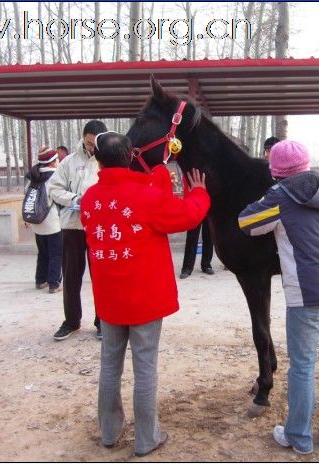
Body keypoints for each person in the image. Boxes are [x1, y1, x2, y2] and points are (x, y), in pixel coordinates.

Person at [79, 131, 210, 457]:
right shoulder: (146, 197)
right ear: (130, 157)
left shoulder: (91, 198)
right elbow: (186, 215)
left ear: (98, 159)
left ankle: (109, 432)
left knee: (110, 364)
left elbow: (145, 198)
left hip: (110, 299)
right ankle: (146, 438)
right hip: (145, 299)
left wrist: (161, 175)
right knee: (145, 367)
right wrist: (200, 194)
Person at [238, 140, 319, 454]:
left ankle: (299, 436)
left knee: (302, 366)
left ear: (276, 171)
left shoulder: (281, 195)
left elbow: (247, 223)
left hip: (307, 292)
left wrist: (267, 196)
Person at [49, 120, 107, 341]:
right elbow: (54, 188)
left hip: (98, 228)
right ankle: (71, 321)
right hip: (72, 226)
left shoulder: (106, 162)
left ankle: (102, 320)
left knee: (100, 277)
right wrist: (75, 199)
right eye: (89, 143)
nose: (92, 148)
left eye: (96, 144)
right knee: (72, 276)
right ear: (83, 138)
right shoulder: (69, 163)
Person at [25, 147, 62, 294]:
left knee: (42, 252)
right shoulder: (54, 177)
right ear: (52, 163)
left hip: (37, 221)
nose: (58, 162)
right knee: (56, 253)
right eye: (57, 160)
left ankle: (40, 280)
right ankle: (54, 283)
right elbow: (58, 197)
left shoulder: (33, 176)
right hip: (53, 222)